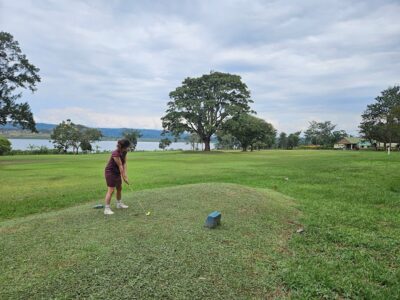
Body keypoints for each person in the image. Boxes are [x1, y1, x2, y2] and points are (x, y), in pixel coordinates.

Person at [104, 139, 130, 215]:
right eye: (128, 147)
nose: (128, 148)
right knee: (111, 190)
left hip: (117, 172)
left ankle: (119, 204)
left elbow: (124, 163)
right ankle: (107, 209)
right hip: (110, 172)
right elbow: (120, 165)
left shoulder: (124, 152)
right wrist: (124, 177)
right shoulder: (115, 153)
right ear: (124, 147)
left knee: (119, 188)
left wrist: (125, 175)